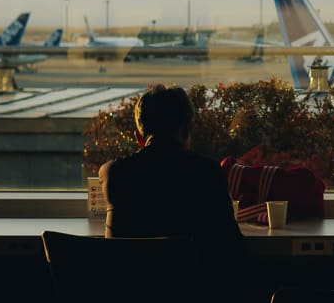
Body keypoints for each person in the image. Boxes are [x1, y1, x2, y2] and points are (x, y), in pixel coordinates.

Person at [100, 84, 243, 248]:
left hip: (130, 273)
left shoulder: (114, 173)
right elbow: (233, 246)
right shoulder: (207, 173)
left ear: (139, 138)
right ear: (188, 129)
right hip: (189, 273)